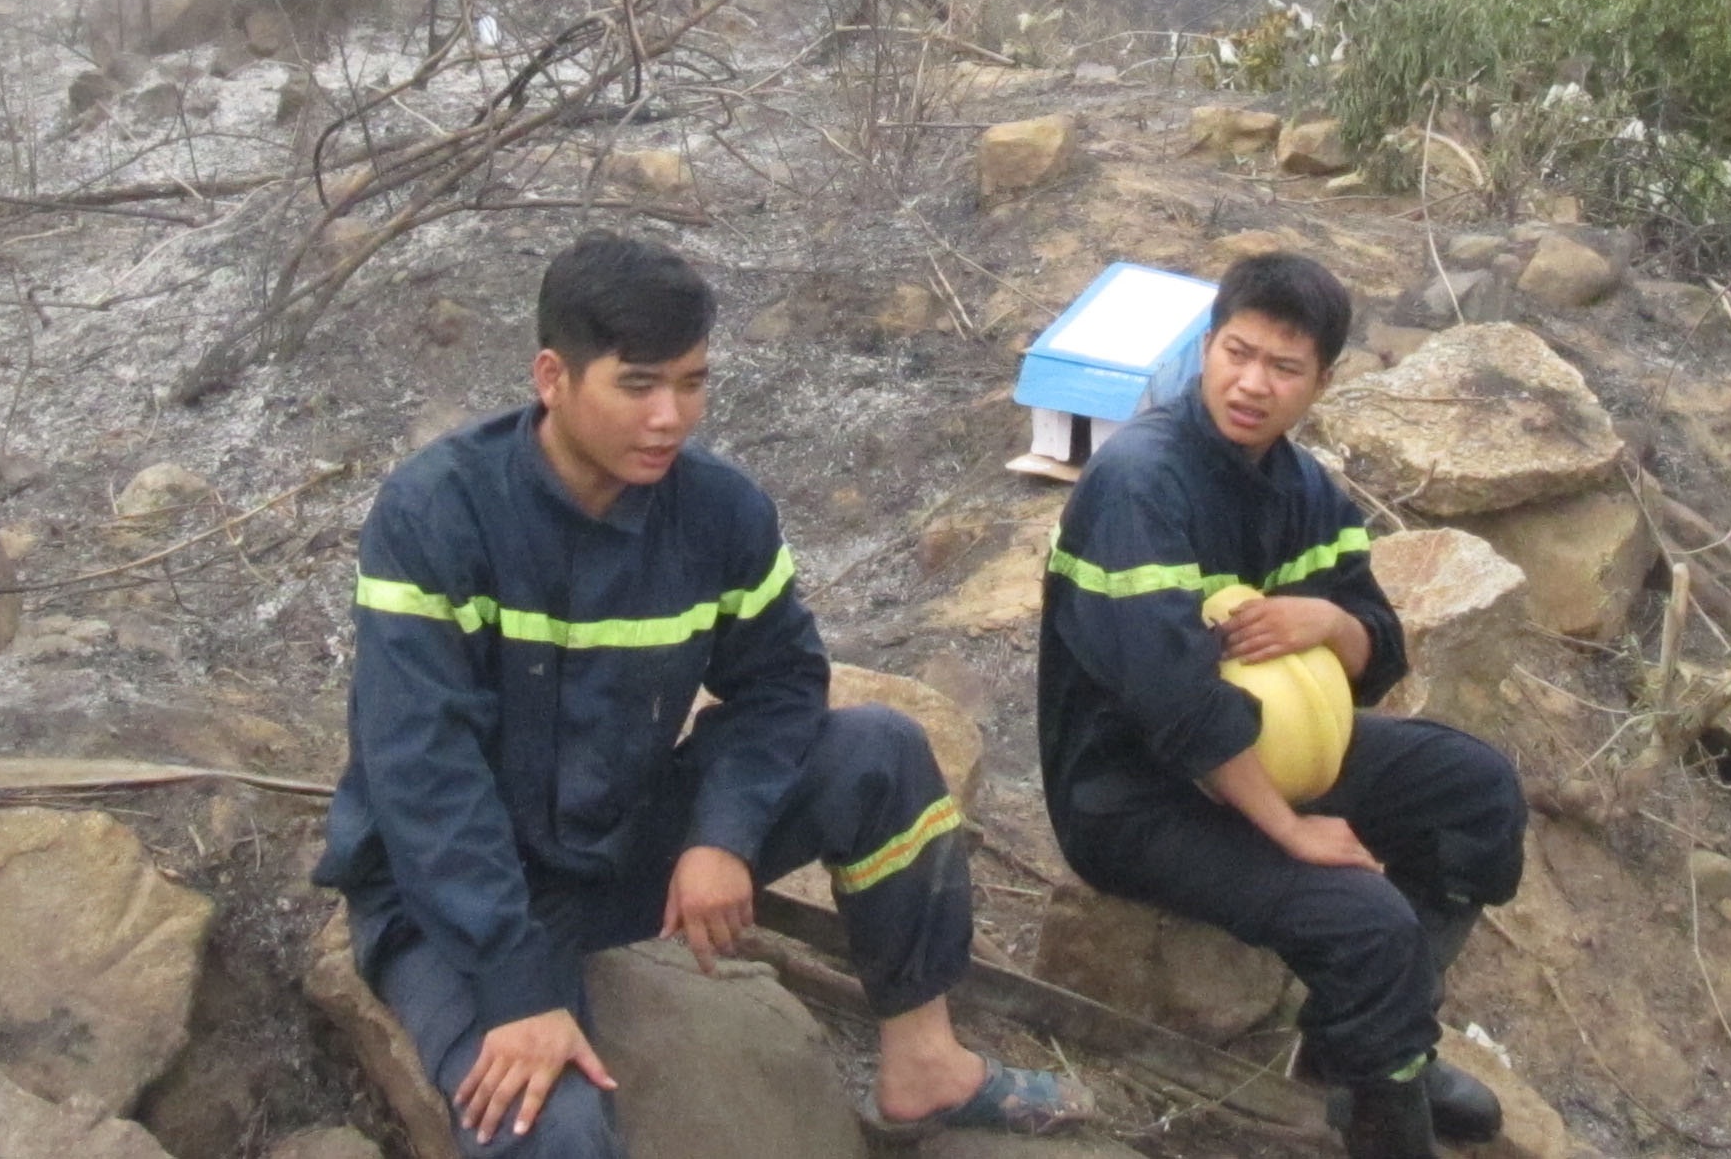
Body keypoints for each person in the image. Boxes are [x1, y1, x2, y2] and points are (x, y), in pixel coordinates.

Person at [318, 232, 1086, 1153]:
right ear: (552, 377)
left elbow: (780, 683)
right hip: (449, 896)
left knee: (877, 752)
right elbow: (422, 773)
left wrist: (720, 833)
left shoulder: (718, 511)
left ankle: (924, 1065)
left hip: (610, 847)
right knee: (551, 1129)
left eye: (691, 382)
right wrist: (519, 989)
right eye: (637, 385)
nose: (670, 417)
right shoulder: (437, 514)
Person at [1036, 251, 1529, 1159]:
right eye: (1236, 352)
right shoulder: (1141, 481)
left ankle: (1367, 1056)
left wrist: (1328, 621)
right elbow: (1171, 701)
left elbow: (1377, 649)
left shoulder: (1306, 494)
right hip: (1133, 795)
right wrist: (1291, 830)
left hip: (1277, 754)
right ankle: (1388, 1112)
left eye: (1283, 367)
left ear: (1320, 383)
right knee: (1366, 919)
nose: (1251, 384)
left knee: (1477, 792)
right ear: (1206, 348)